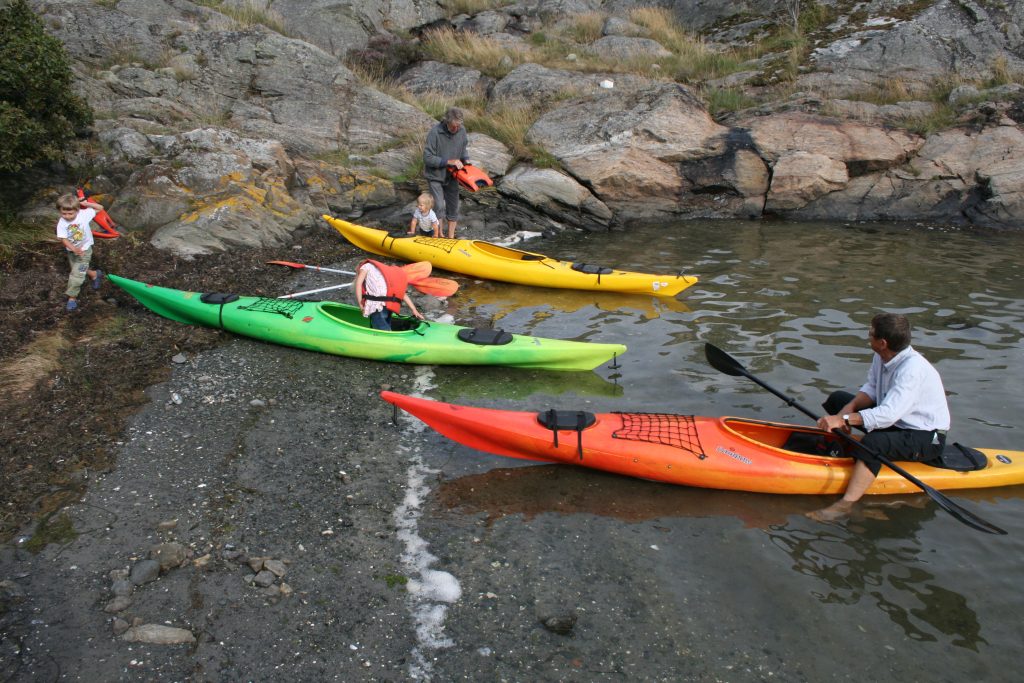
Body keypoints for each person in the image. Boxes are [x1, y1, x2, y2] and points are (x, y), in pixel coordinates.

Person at [807, 313, 950, 522]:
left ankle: (846, 504)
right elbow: (871, 389)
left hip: (927, 436)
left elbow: (887, 414)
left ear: (882, 343)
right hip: (895, 422)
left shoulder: (912, 370)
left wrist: (845, 420)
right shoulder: (882, 356)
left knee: (872, 443)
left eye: (871, 333)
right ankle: (843, 448)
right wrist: (846, 411)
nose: (868, 335)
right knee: (837, 399)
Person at [422, 107, 468, 239]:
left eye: (458, 126)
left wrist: (467, 160)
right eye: (453, 126)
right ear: (446, 122)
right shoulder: (435, 133)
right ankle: (439, 235)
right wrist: (448, 161)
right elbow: (427, 157)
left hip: (453, 176)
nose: (456, 129)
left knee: (453, 206)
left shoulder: (462, 131)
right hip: (435, 176)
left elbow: (463, 149)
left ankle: (451, 237)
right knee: (439, 206)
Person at [55, 193, 105, 312]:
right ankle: (95, 274)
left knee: (76, 275)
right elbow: (63, 239)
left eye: (70, 213)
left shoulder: (84, 214)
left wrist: (85, 204)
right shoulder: (62, 223)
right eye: (63, 213)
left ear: (77, 210)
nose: (66, 216)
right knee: (78, 270)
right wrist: (73, 249)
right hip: (72, 252)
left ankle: (72, 298)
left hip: (85, 251)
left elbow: (100, 208)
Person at [354, 259, 424, 331]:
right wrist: (414, 310)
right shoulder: (384, 272)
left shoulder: (365, 267)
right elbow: (402, 293)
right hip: (390, 304)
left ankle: (389, 341)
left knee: (383, 330)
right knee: (382, 325)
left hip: (377, 305)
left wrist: (360, 304)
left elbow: (358, 284)